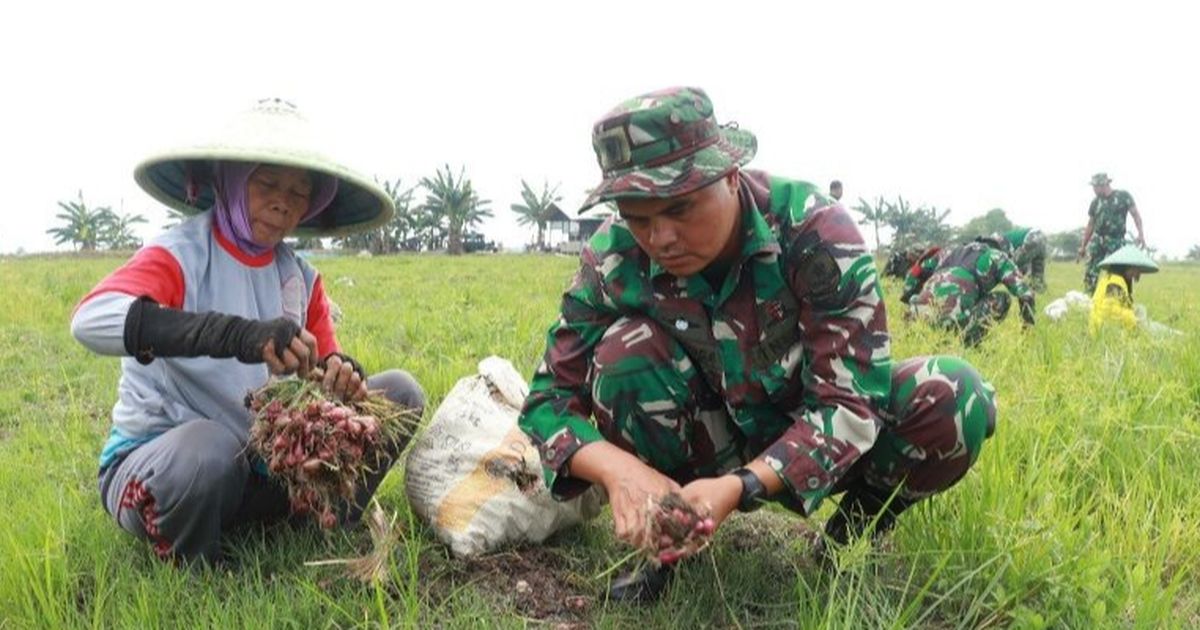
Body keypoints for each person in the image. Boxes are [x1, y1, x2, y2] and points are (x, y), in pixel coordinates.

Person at [517, 87, 996, 603]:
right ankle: (671, 540)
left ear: (729, 176)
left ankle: (849, 538)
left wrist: (741, 486)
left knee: (954, 394)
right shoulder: (613, 257)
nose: (661, 238)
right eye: (638, 216)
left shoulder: (814, 230)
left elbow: (851, 402)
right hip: (706, 436)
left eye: (679, 208)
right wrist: (622, 473)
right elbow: (547, 401)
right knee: (622, 354)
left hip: (811, 435)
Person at [70, 98, 426, 565]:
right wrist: (238, 336)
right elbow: (90, 321)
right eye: (267, 182)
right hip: (169, 466)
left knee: (401, 392)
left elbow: (323, 370)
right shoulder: (180, 256)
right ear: (231, 181)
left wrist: (341, 376)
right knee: (208, 450)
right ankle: (193, 560)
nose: (283, 202)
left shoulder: (300, 277)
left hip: (264, 469)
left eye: (301, 192)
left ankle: (322, 521)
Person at [904, 234, 1035, 346]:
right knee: (1003, 298)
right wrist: (1027, 333)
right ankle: (968, 342)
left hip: (918, 318)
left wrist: (908, 299)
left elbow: (914, 274)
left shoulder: (948, 250)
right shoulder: (997, 256)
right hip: (953, 322)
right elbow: (1026, 294)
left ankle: (918, 326)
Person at [1078, 172, 1145, 293]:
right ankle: (1089, 299)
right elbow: (1090, 224)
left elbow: (1136, 215)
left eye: (1095, 187)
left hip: (1116, 240)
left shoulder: (1123, 196)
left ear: (1104, 185)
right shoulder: (1095, 202)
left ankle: (1119, 299)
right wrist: (1083, 246)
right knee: (1090, 273)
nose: (1093, 190)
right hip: (1098, 240)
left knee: (1116, 272)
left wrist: (1141, 235)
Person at [1089, 244, 1158, 335]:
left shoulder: (1112, 278)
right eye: (1134, 269)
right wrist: (1132, 318)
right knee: (1158, 332)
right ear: (1125, 267)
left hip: (1106, 327)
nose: (1135, 274)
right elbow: (1109, 310)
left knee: (1140, 309)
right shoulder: (1115, 282)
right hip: (1107, 330)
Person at [1004, 226, 1047, 291]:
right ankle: (1039, 290)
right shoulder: (1006, 237)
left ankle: (1023, 291)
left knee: (1014, 265)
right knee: (1037, 272)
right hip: (1041, 235)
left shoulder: (998, 243)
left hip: (1031, 237)